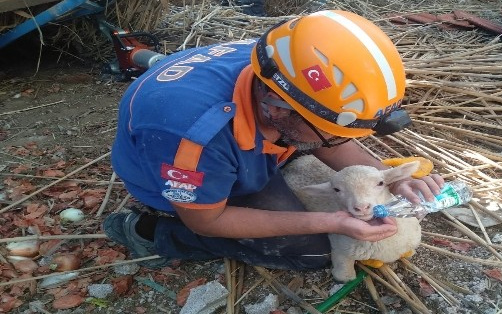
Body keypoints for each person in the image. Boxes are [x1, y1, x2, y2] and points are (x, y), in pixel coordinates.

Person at [103, 10, 445, 271]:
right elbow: (207, 220)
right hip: (191, 177)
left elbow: (331, 136)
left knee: (314, 154)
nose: (339, 142)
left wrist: (389, 179)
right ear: (279, 110)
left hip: (260, 142)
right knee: (314, 250)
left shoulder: (287, 70)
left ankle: (281, 161)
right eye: (333, 133)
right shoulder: (194, 137)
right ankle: (150, 232)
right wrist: (329, 222)